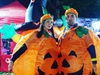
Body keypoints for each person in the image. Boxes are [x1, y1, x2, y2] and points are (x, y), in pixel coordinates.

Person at [59, 8, 100, 75]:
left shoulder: (82, 31)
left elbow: (91, 46)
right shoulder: (63, 34)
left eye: (72, 16)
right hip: (65, 69)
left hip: (79, 68)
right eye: (68, 16)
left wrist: (94, 63)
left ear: (76, 18)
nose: (70, 18)